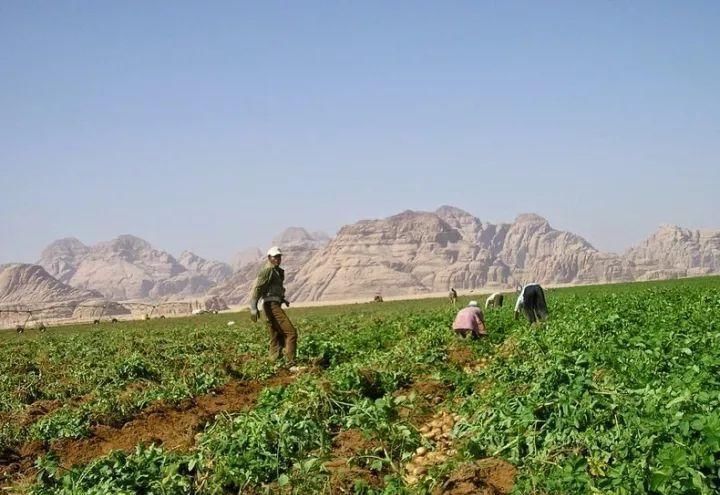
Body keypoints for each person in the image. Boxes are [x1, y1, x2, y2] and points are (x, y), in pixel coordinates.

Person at [250, 246, 299, 369]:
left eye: (279, 256)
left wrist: (283, 299)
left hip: (274, 303)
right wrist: (253, 306)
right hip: (270, 305)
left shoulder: (278, 271)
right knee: (291, 333)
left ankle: (273, 364)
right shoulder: (267, 270)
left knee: (276, 336)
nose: (278, 259)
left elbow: (273, 290)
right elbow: (258, 288)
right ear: (269, 258)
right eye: (275, 257)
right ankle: (290, 364)